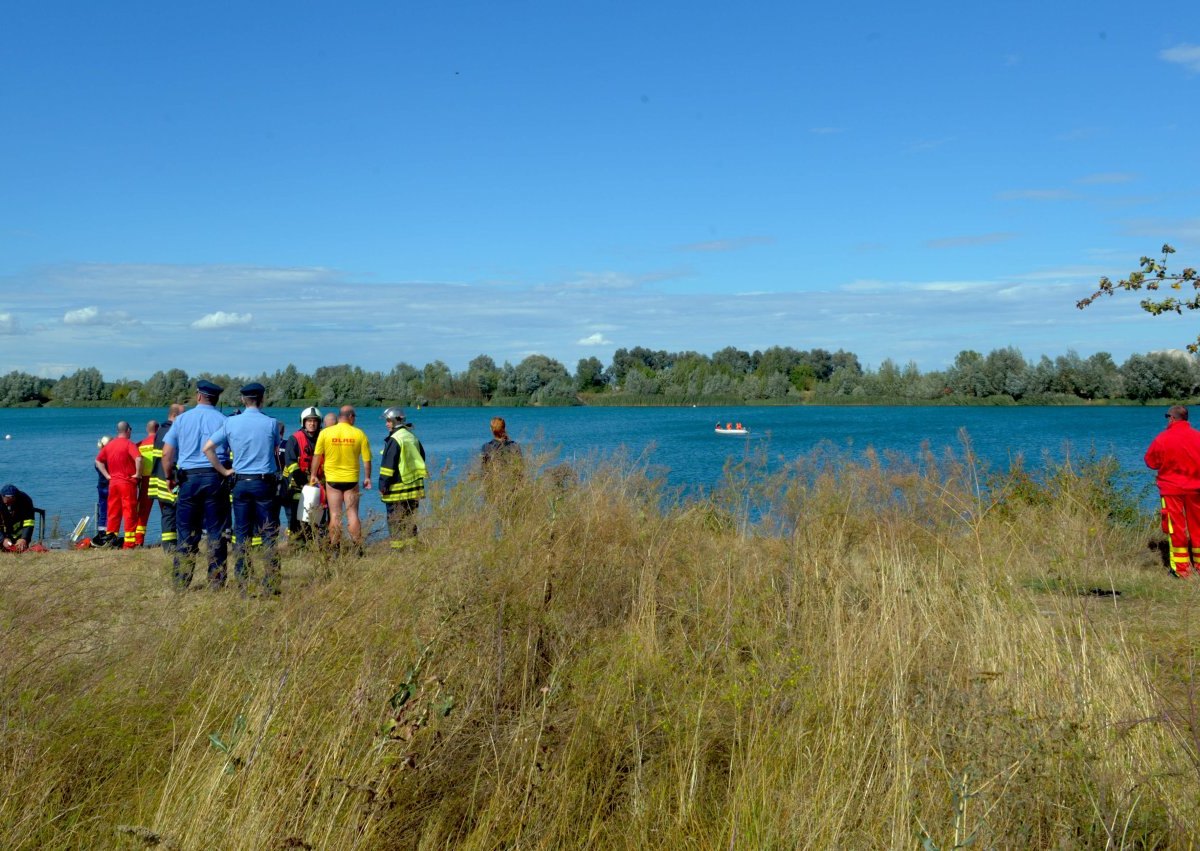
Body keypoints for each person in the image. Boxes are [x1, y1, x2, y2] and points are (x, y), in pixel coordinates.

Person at [203, 383, 283, 595]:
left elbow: (207, 448)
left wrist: (223, 470)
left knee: (241, 534)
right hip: (264, 482)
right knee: (268, 533)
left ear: (242, 400)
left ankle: (243, 583)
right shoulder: (271, 423)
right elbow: (276, 447)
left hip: (240, 482)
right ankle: (271, 584)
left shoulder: (230, 422)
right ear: (262, 399)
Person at [162, 380, 230, 590]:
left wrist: (169, 477)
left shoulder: (181, 420)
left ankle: (181, 582)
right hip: (215, 478)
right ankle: (216, 581)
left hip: (188, 479)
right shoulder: (224, 420)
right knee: (216, 531)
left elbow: (167, 453)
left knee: (186, 532)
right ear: (216, 398)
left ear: (198, 396)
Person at [1145, 404, 1200, 577]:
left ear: (1171, 418)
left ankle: (1181, 570)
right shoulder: (1197, 437)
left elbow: (1150, 462)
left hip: (1171, 489)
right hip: (1196, 488)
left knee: (1176, 527)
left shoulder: (1162, 438)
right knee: (1198, 525)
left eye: (1167, 417)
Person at [311, 405, 371, 550]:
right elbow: (366, 459)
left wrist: (313, 475)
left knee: (335, 515)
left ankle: (335, 548)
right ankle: (357, 548)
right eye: (354, 417)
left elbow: (317, 456)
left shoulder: (325, 433)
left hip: (333, 480)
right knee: (353, 514)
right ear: (350, 417)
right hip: (351, 480)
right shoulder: (359, 433)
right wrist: (367, 477)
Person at [379, 407, 427, 546]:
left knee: (395, 520)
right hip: (414, 487)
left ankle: (398, 550)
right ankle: (413, 547)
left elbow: (388, 466)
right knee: (410, 518)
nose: (386, 424)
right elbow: (421, 457)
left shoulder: (395, 439)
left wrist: (383, 485)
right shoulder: (412, 436)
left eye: (388, 421)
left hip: (397, 488)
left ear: (395, 421)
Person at [95, 421, 144, 549]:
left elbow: (98, 460)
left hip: (113, 483)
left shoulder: (110, 445)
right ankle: (129, 543)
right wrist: (138, 474)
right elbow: (138, 458)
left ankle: (111, 540)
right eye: (131, 430)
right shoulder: (129, 444)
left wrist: (107, 475)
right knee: (129, 512)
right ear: (128, 430)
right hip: (127, 482)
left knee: (113, 512)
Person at [282, 406, 324, 545]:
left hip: (318, 484)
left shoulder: (323, 437)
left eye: (314, 421)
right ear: (303, 422)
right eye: (309, 421)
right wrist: (304, 479)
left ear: (319, 422)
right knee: (296, 517)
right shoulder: (295, 439)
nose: (312, 423)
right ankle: (296, 545)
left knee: (318, 517)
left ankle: (316, 544)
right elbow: (291, 462)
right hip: (296, 484)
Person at [149, 404, 184, 550]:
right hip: (170, 478)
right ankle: (176, 545)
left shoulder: (161, 430)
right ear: (175, 416)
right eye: (183, 416)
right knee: (175, 512)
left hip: (159, 478)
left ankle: (169, 546)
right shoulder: (173, 431)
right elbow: (171, 457)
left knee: (167, 512)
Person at [134, 420, 159, 546]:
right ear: (158, 429)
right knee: (167, 511)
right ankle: (171, 540)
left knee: (142, 512)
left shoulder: (140, 444)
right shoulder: (163, 442)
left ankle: (138, 541)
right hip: (161, 478)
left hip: (145, 481)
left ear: (147, 429)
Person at [0, 484, 36, 552]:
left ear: (16, 497)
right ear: (2, 497)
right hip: (3, 534)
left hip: (20, 536)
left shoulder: (25, 500)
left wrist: (24, 539)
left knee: (21, 549)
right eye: (7, 503)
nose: (9, 506)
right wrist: (2, 539)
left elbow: (29, 522)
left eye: (12, 503)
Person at [94, 435, 112, 546]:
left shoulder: (99, 457)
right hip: (110, 486)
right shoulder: (109, 457)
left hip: (101, 486)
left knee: (103, 511)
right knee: (112, 511)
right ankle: (110, 533)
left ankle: (101, 533)